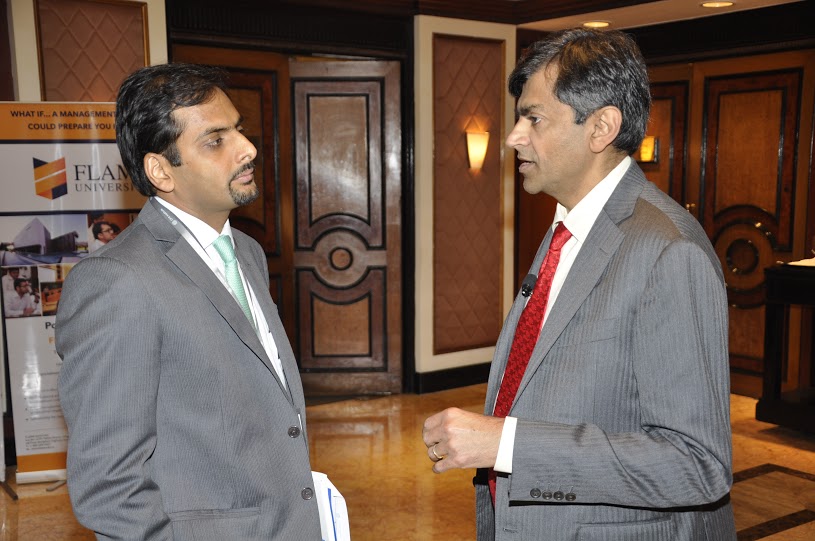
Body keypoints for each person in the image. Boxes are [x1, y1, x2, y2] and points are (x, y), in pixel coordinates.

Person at [422, 28, 736, 540]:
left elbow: (696, 464)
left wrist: (508, 445)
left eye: (534, 118)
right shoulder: (566, 228)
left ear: (601, 128)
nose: (513, 137)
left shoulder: (669, 251)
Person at [57, 63, 322, 540]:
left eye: (238, 129)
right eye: (216, 140)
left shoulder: (247, 252)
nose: (248, 148)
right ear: (161, 170)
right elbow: (108, 485)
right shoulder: (116, 281)